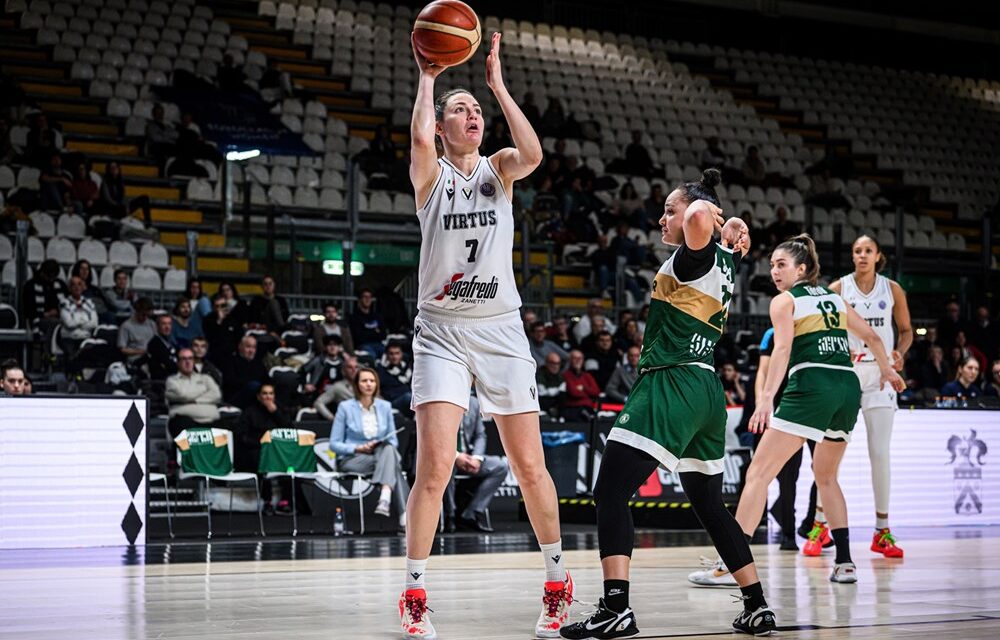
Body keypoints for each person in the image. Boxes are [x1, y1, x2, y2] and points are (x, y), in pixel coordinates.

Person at [403, 32, 571, 639]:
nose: (471, 115)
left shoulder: (499, 169)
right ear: (443, 127)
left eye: (476, 109)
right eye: (461, 109)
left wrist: (497, 86)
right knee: (434, 468)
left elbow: (534, 153)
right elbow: (419, 139)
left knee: (530, 465)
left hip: (500, 329)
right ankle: (414, 591)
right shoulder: (431, 176)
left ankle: (557, 582)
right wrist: (429, 77)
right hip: (441, 332)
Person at [561, 169, 766, 639]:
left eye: (669, 210)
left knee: (610, 491)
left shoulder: (695, 256)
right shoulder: (719, 258)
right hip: (706, 389)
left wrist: (708, 212)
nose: (661, 218)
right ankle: (756, 605)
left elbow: (698, 216)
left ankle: (616, 608)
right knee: (710, 505)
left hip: (671, 380)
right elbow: (714, 226)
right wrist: (731, 224)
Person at [697, 235, 904, 595]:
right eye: (772, 265)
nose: (774, 271)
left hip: (813, 383)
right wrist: (886, 370)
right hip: (847, 388)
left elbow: (782, 350)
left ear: (802, 269)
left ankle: (731, 564)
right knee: (826, 477)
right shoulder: (834, 298)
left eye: (782, 264)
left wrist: (765, 399)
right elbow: (872, 336)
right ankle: (844, 563)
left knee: (758, 473)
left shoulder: (785, 301)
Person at [830, 234, 912, 557]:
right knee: (832, 454)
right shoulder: (839, 288)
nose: (862, 255)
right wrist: (839, 349)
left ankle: (882, 530)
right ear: (852, 256)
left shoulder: (892, 289)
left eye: (868, 251)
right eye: (857, 251)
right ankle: (820, 526)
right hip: (848, 375)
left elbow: (906, 331)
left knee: (879, 453)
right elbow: (826, 329)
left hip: (881, 375)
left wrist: (900, 352)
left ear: (878, 256)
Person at [329, 367, 408, 521]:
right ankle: (399, 509)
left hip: (379, 455)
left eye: (372, 381)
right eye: (364, 381)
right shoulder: (345, 407)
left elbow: (393, 441)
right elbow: (334, 444)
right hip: (353, 459)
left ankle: (385, 498)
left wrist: (376, 445)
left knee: (388, 448)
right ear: (357, 384)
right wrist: (358, 448)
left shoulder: (385, 406)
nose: (369, 384)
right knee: (393, 465)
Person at [444, 392, 510, 533]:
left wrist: (476, 458)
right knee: (445, 468)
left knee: (500, 467)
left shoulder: (473, 402)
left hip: (469, 456)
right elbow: (434, 437)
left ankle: (471, 514)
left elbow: (480, 435)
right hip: (445, 456)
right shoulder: (441, 401)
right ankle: (450, 514)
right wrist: (456, 456)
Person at [165, 348, 222, 437]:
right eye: (184, 359)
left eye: (190, 358)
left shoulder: (205, 378)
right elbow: (183, 395)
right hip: (186, 422)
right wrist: (203, 389)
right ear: (178, 362)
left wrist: (195, 400)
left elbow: (216, 395)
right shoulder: (172, 380)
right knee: (180, 424)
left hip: (212, 421)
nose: (188, 362)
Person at [220, 334, 268, 408]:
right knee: (254, 386)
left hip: (258, 395)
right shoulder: (230, 362)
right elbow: (230, 383)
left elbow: (267, 380)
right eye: (248, 347)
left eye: (254, 347)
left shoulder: (258, 363)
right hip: (236, 398)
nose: (251, 350)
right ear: (240, 347)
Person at [59, 275, 98, 360]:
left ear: (83, 287)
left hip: (85, 337)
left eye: (79, 284)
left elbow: (94, 323)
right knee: (73, 358)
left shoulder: (89, 303)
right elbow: (69, 324)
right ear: (69, 288)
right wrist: (84, 321)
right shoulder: (64, 303)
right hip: (70, 338)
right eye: (73, 285)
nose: (77, 287)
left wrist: (77, 322)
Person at [313, 355, 358, 420]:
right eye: (350, 367)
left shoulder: (366, 384)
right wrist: (331, 417)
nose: (354, 370)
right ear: (343, 371)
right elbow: (318, 403)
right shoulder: (338, 387)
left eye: (356, 367)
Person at [561, 348, 600, 422]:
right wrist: (588, 393)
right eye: (575, 358)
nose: (578, 360)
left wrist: (583, 388)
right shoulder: (566, 375)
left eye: (580, 358)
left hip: (588, 408)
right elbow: (574, 393)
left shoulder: (587, 376)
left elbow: (596, 392)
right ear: (570, 360)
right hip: (573, 409)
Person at [203, 292, 241, 363]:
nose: (220, 309)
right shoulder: (208, 320)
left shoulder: (233, 319)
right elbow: (212, 339)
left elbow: (239, 337)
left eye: (223, 305)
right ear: (213, 307)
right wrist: (219, 321)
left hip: (231, 356)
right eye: (217, 306)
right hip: (214, 356)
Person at [348, 288, 387, 358]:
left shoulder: (377, 316)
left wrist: (367, 332)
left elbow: (383, 335)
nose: (367, 299)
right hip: (363, 346)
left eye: (369, 297)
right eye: (365, 297)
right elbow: (358, 337)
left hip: (378, 345)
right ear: (360, 299)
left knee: (390, 353)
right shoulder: (354, 317)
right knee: (371, 356)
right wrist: (375, 332)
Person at [376, 342, 413, 415]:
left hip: (409, 398)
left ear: (401, 354)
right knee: (409, 397)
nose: (394, 357)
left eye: (397, 353)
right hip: (392, 402)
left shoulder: (407, 367)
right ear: (387, 355)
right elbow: (376, 389)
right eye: (391, 354)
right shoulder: (381, 369)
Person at [117, 297, 155, 363]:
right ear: (137, 311)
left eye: (148, 315)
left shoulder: (152, 324)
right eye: (143, 315)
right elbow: (123, 349)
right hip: (136, 358)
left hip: (151, 356)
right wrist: (140, 351)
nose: (145, 317)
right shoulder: (126, 326)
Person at [147, 314, 178, 382]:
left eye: (169, 324)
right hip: (162, 381)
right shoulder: (154, 344)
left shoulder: (172, 341)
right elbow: (168, 365)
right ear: (157, 326)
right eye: (164, 324)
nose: (167, 327)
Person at [536, 352, 566, 417]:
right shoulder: (539, 374)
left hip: (556, 405)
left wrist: (550, 391)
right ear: (547, 363)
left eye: (558, 363)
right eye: (553, 363)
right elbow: (541, 392)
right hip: (541, 405)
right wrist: (556, 390)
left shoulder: (560, 375)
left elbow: (562, 391)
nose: (556, 366)